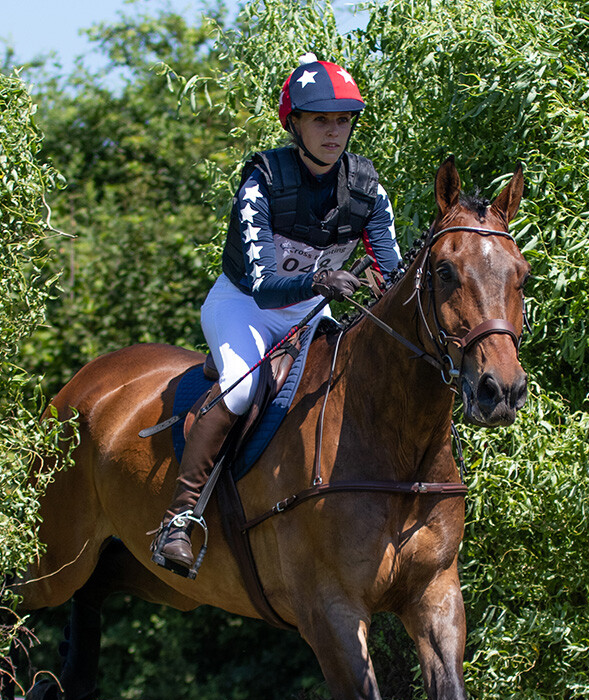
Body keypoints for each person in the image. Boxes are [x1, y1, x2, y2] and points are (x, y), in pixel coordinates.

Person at [152, 53, 404, 575]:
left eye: (343, 120)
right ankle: (180, 518)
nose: (334, 132)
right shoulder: (261, 183)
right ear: (295, 124)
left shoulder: (368, 190)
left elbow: (393, 272)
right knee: (241, 389)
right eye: (320, 120)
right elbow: (266, 288)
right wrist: (319, 280)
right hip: (244, 306)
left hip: (311, 312)